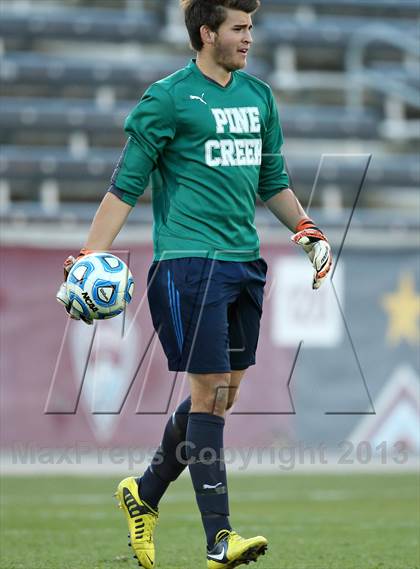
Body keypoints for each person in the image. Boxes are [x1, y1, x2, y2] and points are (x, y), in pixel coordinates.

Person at [57, 0, 332, 567]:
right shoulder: (168, 98)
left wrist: (306, 228)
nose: (249, 37)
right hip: (188, 265)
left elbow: (272, 180)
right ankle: (219, 539)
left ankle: (145, 492)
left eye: (251, 27)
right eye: (239, 27)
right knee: (209, 395)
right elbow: (126, 185)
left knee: (222, 398)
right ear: (207, 34)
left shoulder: (259, 97)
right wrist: (91, 252)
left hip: (245, 264)